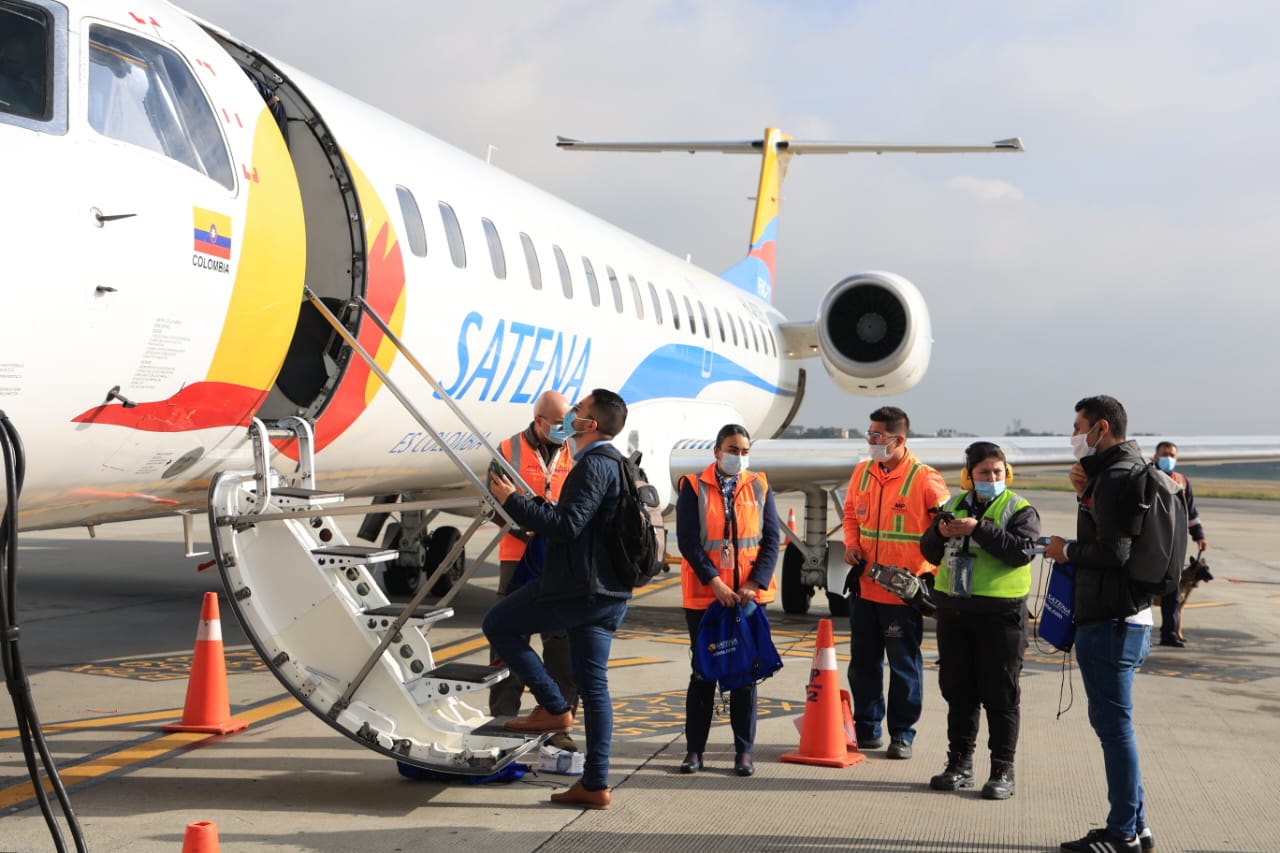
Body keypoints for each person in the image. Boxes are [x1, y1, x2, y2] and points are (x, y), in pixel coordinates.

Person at [482, 389, 630, 810]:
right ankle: (595, 783)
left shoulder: (592, 466)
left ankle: (552, 706)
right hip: (609, 592)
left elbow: (566, 526)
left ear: (591, 424)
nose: (571, 417)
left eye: (578, 412)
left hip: (578, 588)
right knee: (596, 687)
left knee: (498, 624)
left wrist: (514, 501)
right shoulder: (619, 464)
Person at [1045, 395, 1155, 853]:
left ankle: (1122, 834)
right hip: (1131, 618)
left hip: (1110, 621)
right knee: (1117, 727)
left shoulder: (1113, 478)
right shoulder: (1130, 470)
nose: (1074, 435)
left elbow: (1114, 553)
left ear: (1101, 428)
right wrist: (1083, 495)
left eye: (1078, 426)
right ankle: (1136, 824)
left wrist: (1065, 551)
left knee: (1115, 730)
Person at [919, 442, 1039, 800]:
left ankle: (1002, 769)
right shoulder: (952, 506)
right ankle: (959, 763)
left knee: (1000, 694)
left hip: (1000, 614)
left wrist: (977, 530)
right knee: (959, 691)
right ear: (969, 476)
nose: (991, 478)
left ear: (1007, 474)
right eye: (984, 473)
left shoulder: (1019, 509)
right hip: (955, 612)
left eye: (998, 472)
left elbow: (1021, 553)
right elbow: (927, 552)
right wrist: (939, 534)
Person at [841, 406, 949, 760]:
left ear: (898, 440)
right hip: (865, 589)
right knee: (863, 663)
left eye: (877, 436)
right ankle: (868, 727)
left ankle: (902, 734)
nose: (871, 441)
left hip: (902, 594)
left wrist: (931, 577)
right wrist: (852, 545)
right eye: (869, 433)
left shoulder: (925, 479)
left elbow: (946, 530)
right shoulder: (862, 472)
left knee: (903, 666)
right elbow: (850, 515)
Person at [675, 424, 780, 778]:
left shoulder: (760, 485)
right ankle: (694, 751)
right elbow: (688, 541)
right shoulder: (692, 486)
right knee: (703, 672)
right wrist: (715, 582)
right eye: (734, 449)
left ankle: (744, 752)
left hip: (748, 598)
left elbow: (770, 539)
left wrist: (754, 582)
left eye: (745, 450)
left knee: (744, 675)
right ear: (718, 451)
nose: (740, 456)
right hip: (706, 597)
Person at [487, 390, 579, 751]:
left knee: (561, 644)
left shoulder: (576, 451)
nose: (564, 430)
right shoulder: (507, 449)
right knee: (508, 638)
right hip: (518, 555)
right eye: (558, 424)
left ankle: (559, 722)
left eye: (568, 424)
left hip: (560, 556)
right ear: (539, 420)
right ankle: (503, 718)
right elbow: (494, 501)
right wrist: (524, 525)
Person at [1151, 441, 1209, 647]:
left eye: (1172, 455)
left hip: (1175, 545)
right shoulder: (1147, 476)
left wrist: (1199, 535)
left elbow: (1191, 513)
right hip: (1151, 543)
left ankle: (1169, 634)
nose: (1168, 458)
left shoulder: (1182, 481)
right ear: (1155, 457)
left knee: (1172, 592)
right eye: (1165, 454)